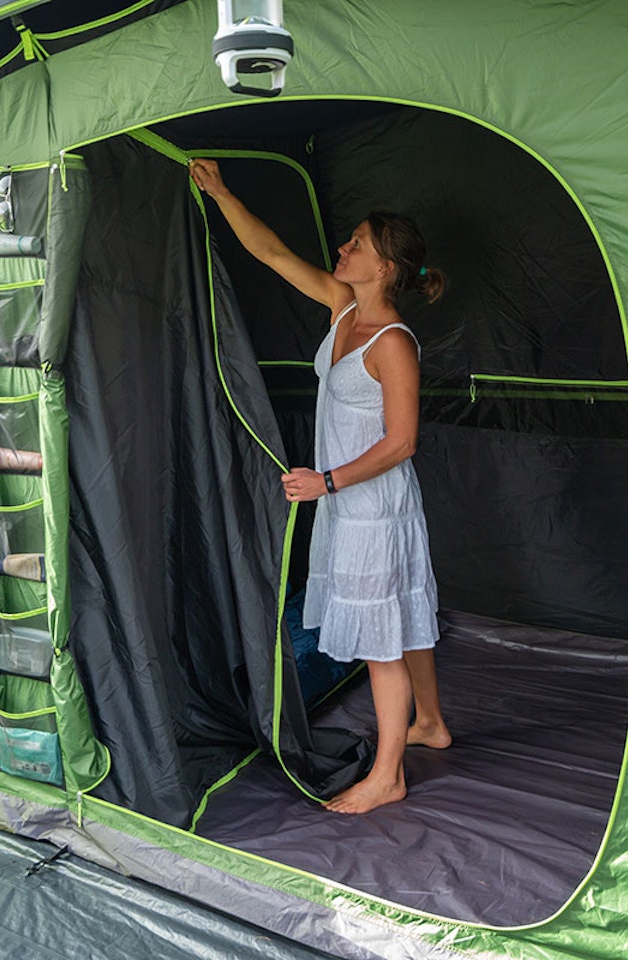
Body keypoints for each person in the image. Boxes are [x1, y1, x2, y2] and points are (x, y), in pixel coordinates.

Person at [189, 158, 451, 815]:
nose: (342, 247)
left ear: (385, 266)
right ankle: (430, 724)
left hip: (370, 506)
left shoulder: (392, 343)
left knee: (380, 640)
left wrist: (325, 481)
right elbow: (271, 252)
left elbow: (402, 442)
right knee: (401, 616)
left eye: (356, 243)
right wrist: (220, 193)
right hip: (345, 503)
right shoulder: (341, 311)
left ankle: (388, 775)